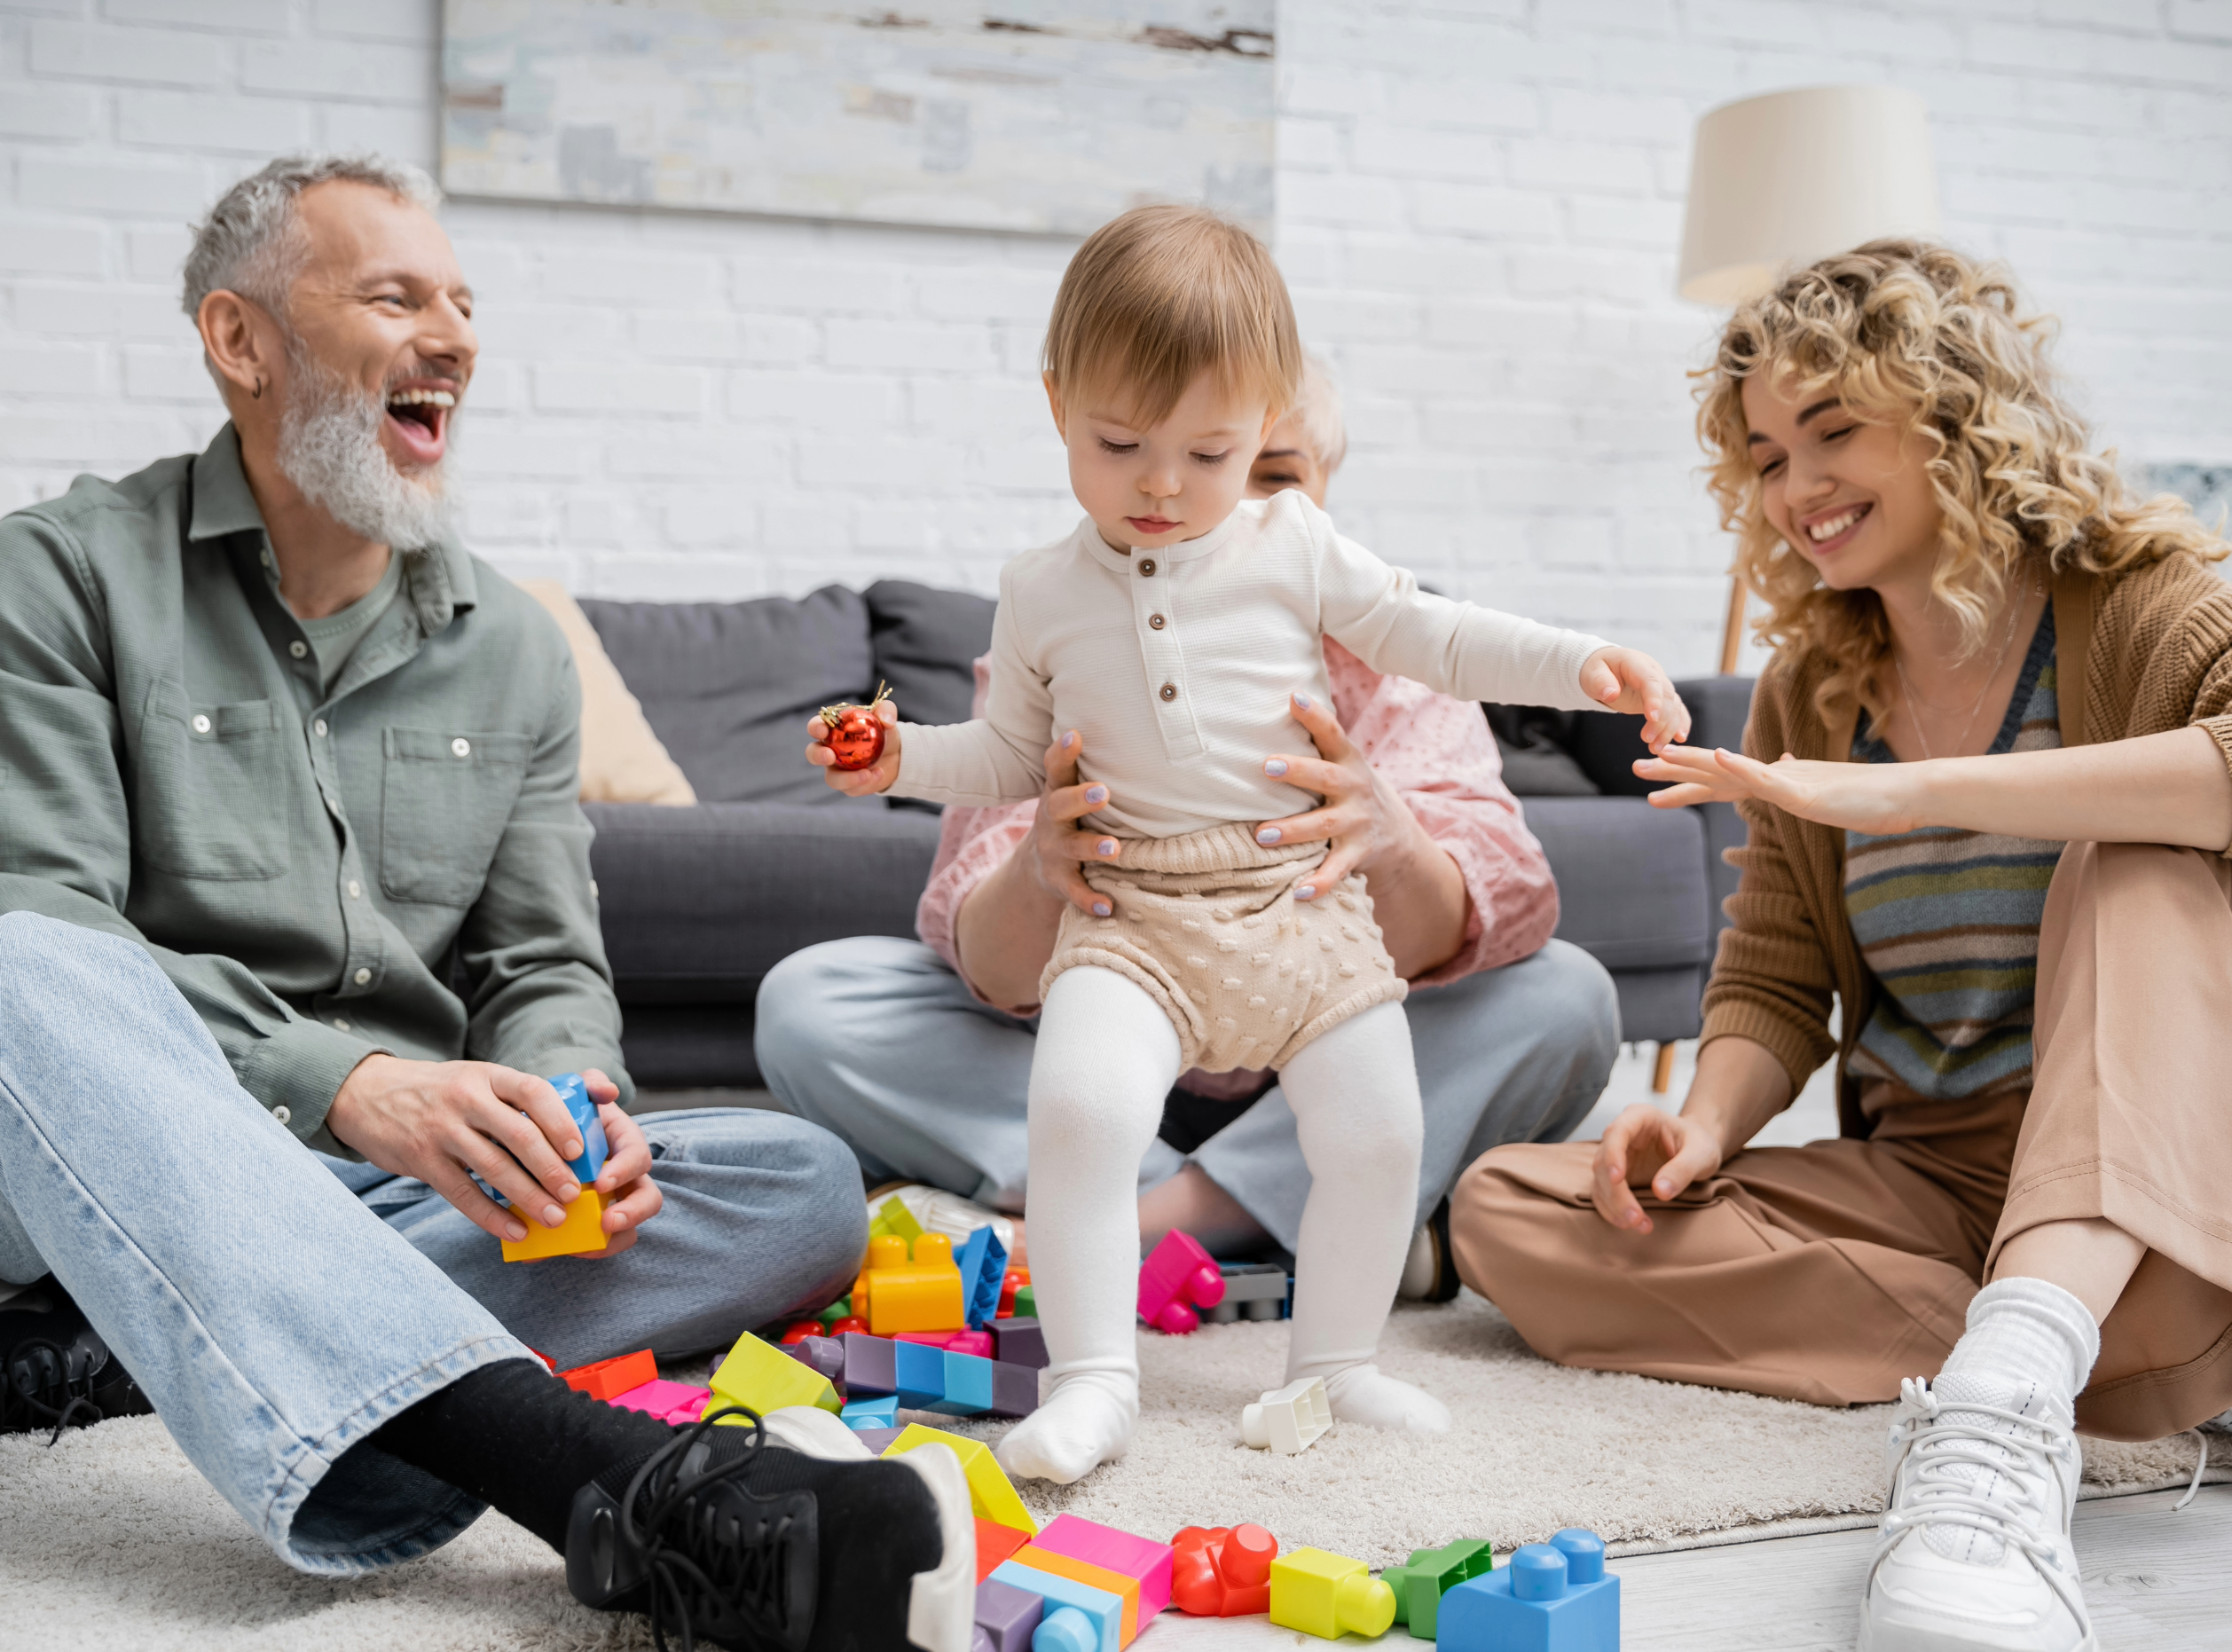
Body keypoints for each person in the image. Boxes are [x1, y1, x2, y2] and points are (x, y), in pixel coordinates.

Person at [0, 153, 973, 1652]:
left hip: (351, 1193)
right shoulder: (56, 576)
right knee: (14, 968)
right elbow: (29, 913)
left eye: (464, 302)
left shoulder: (511, 644)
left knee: (801, 1182)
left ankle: (120, 1342)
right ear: (242, 341)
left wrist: (577, 1105)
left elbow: (543, 952)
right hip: (72, 1140)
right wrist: (356, 1084)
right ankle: (604, 1483)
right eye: (394, 295)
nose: (456, 336)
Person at [795, 204, 1686, 1485]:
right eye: (1121, 444)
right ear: (1059, 410)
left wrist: (1576, 665)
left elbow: (1437, 635)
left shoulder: (1302, 551)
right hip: (1135, 919)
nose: (1164, 486)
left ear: (1274, 430)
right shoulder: (1041, 590)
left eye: (1218, 452)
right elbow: (998, 755)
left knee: (1387, 1124)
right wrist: (902, 760)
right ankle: (1101, 1369)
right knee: (1083, 1105)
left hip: (1304, 921)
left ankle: (1335, 1361)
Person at [1450, 241, 2232, 1652]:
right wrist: (1700, 1128)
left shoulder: (2148, 601)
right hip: (1936, 1181)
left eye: (1832, 429)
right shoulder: (1815, 684)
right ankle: (2046, 1347)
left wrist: (1913, 788)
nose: (1795, 486)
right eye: (1763, 455)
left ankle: (2002, 1416)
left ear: (1952, 413)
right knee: (1512, 1210)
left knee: (2135, 861)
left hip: (2158, 1163)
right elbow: (1772, 969)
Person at [758, 359, 1622, 1352]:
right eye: (1160, 455)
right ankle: (1273, 1218)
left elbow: (1487, 914)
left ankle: (1118, 1229)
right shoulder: (1062, 618)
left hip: (1331, 1037)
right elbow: (988, 966)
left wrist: (1386, 835)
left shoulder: (1392, 649)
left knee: (1565, 998)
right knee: (812, 998)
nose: (1216, 509)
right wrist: (1038, 863)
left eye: (1260, 468)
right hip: (1112, 1036)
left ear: (1324, 486)